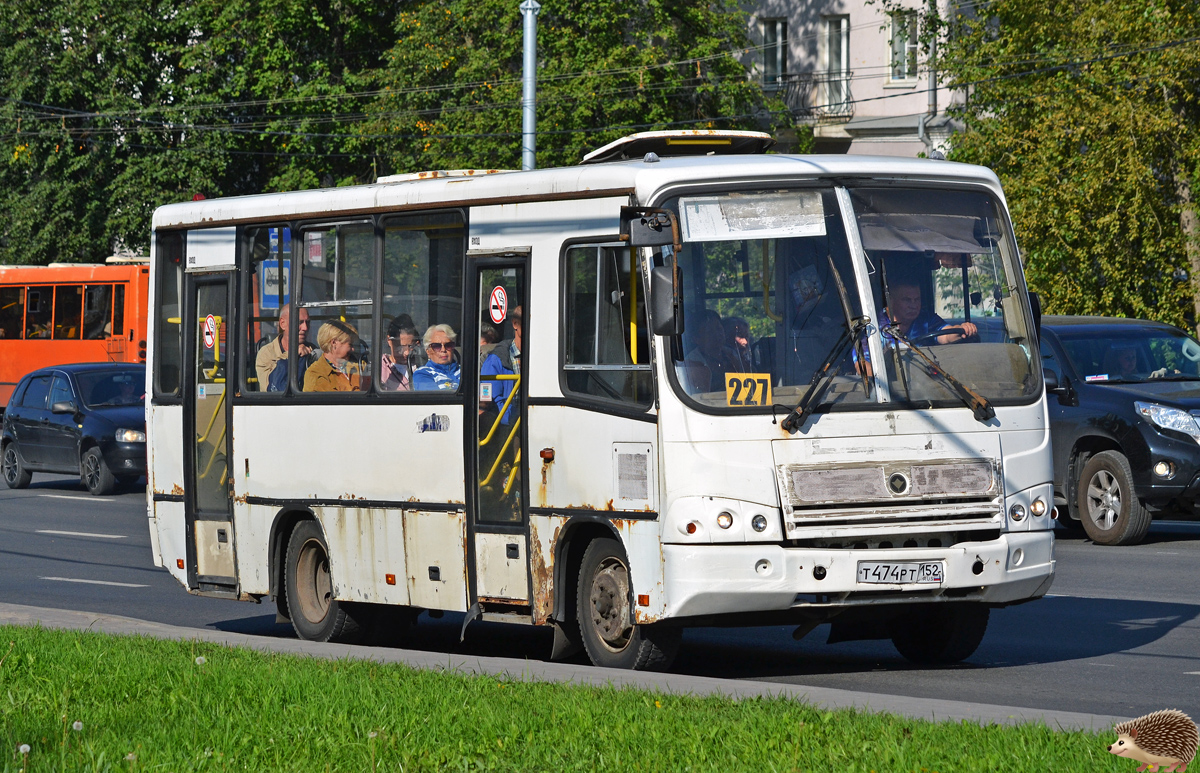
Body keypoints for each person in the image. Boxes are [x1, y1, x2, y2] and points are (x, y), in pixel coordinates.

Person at [880, 280, 977, 345]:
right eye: (907, 300)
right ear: (891, 301)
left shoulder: (926, 320)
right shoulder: (875, 326)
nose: (914, 305)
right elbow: (867, 366)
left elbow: (946, 335)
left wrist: (962, 329)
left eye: (917, 299)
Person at [255, 304, 314, 391]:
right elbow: (271, 389)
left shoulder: (313, 351)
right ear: (283, 324)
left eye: (307, 322)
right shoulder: (266, 353)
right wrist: (293, 354)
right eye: (299, 322)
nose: (305, 328)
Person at [685, 309, 745, 391]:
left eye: (719, 329)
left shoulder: (731, 354)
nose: (717, 334)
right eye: (710, 332)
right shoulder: (691, 363)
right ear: (696, 339)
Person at [303, 320, 362, 392]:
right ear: (334, 343)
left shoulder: (359, 366)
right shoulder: (315, 374)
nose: (353, 349)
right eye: (350, 344)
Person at [413, 324, 461, 391]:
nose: (443, 350)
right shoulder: (422, 373)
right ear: (428, 351)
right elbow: (435, 400)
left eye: (448, 345)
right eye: (436, 346)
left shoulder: (465, 371)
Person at [380, 314, 420, 391]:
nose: (407, 353)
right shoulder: (379, 369)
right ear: (389, 340)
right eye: (401, 347)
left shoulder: (420, 365)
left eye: (411, 346)